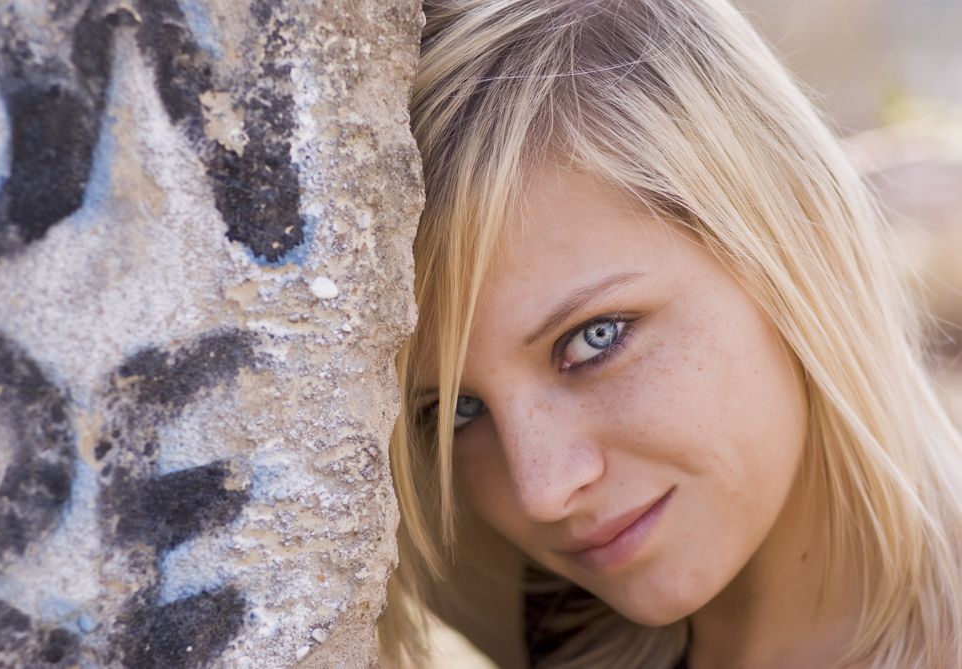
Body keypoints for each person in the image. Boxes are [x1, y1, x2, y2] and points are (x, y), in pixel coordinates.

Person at [379, 0, 962, 667]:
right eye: (455, 409)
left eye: (595, 337)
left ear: (791, 232)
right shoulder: (537, 612)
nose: (539, 491)